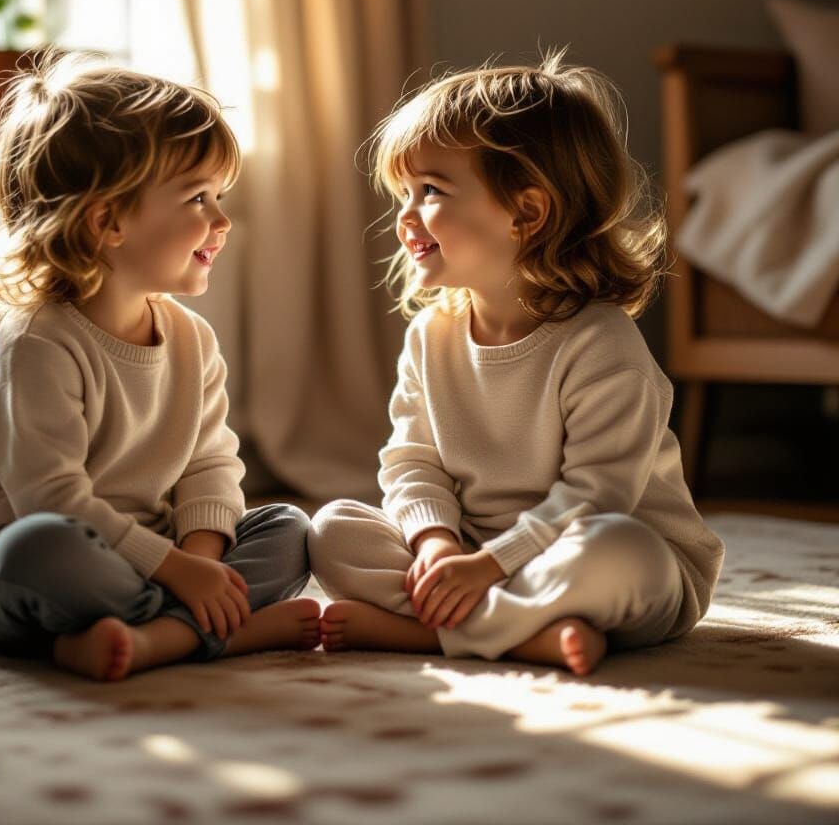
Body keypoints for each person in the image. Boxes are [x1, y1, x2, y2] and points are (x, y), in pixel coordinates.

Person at [308, 49, 725, 675]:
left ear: (527, 213)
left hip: (598, 547)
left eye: (430, 191)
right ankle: (525, 630)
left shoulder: (599, 342)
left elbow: (598, 495)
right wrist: (437, 543)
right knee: (331, 529)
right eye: (402, 192)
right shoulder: (432, 335)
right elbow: (411, 460)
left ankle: (434, 634)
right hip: (477, 553)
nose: (404, 216)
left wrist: (490, 565)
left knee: (618, 552)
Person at [0, 49, 318, 682]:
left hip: (146, 558)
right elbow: (52, 499)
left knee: (289, 528)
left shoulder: (192, 339)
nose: (221, 220)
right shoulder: (37, 345)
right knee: (45, 548)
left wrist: (200, 557)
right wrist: (181, 572)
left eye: (220, 196)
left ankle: (158, 634)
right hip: (10, 568)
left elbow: (209, 465)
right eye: (197, 198)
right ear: (107, 221)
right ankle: (204, 635)